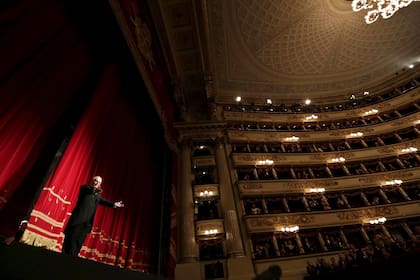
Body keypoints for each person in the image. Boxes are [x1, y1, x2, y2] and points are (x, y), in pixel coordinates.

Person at [62, 176, 124, 256]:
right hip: (77, 221)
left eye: (98, 182)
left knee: (78, 244)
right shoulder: (85, 188)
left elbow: (104, 201)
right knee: (70, 242)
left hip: (86, 224)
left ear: (100, 184)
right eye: (95, 180)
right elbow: (91, 190)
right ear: (92, 180)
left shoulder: (97, 195)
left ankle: (72, 261)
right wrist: (95, 190)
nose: (96, 183)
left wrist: (114, 204)